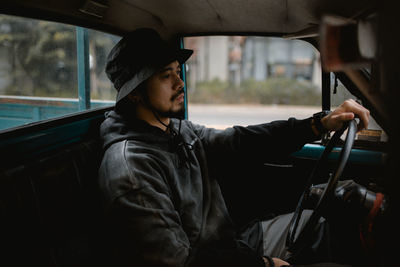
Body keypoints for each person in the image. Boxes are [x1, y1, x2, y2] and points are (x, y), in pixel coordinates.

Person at [97, 28, 370, 267]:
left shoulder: (178, 131)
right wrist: (262, 263)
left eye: (177, 72)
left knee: (335, 226)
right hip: (218, 257)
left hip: (232, 244)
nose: (180, 83)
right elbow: (177, 260)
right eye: (165, 76)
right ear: (135, 92)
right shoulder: (131, 169)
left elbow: (242, 141)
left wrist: (318, 124)